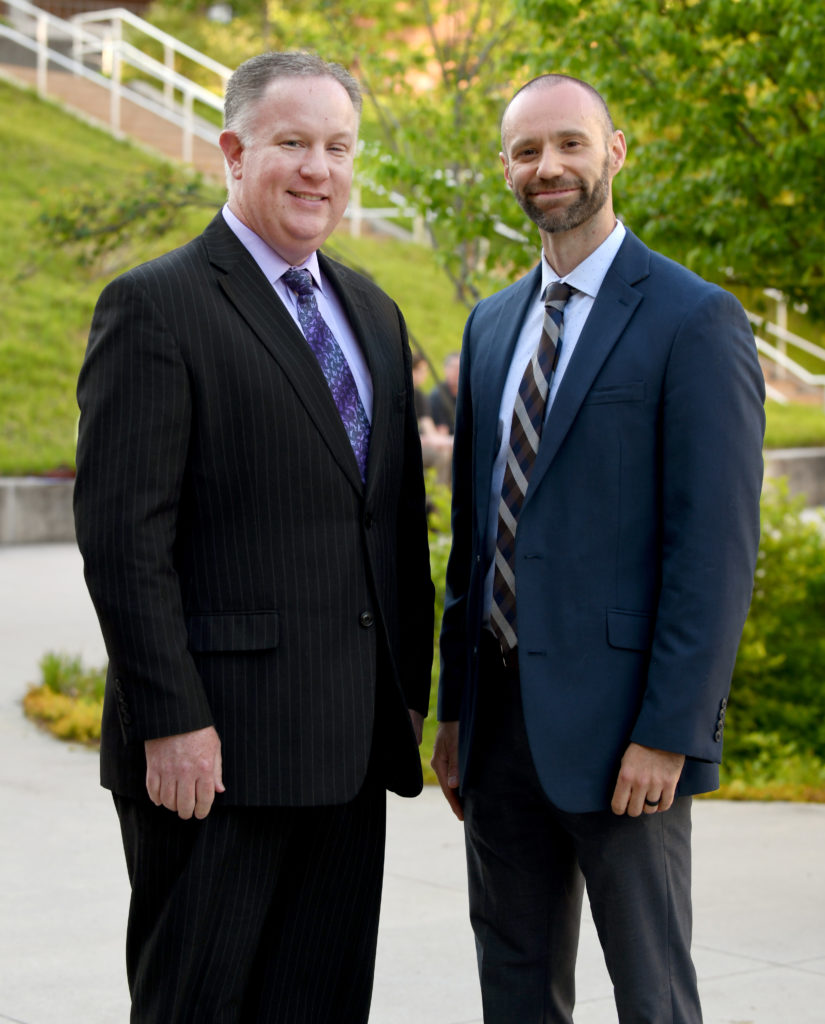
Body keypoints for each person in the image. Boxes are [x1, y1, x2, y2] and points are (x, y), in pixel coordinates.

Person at [74, 51, 434, 1024]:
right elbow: (122, 543)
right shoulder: (156, 306)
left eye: (338, 146)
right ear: (233, 151)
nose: (319, 168)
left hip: (349, 754)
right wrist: (170, 721)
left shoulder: (370, 307)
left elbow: (396, 517)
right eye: (292, 144)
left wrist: (406, 695)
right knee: (201, 1005)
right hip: (213, 759)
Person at [432, 73, 765, 1023]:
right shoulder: (491, 326)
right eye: (528, 151)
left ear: (614, 151)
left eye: (570, 144)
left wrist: (669, 732)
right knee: (514, 987)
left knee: (652, 996)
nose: (550, 167)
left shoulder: (692, 317)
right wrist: (454, 711)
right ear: (505, 167)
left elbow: (714, 551)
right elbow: (475, 537)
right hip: (497, 732)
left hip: (626, 739)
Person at [429, 351, 460, 433]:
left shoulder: (470, 396)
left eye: (461, 367)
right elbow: (441, 431)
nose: (457, 372)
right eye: (454, 367)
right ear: (445, 369)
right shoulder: (437, 396)